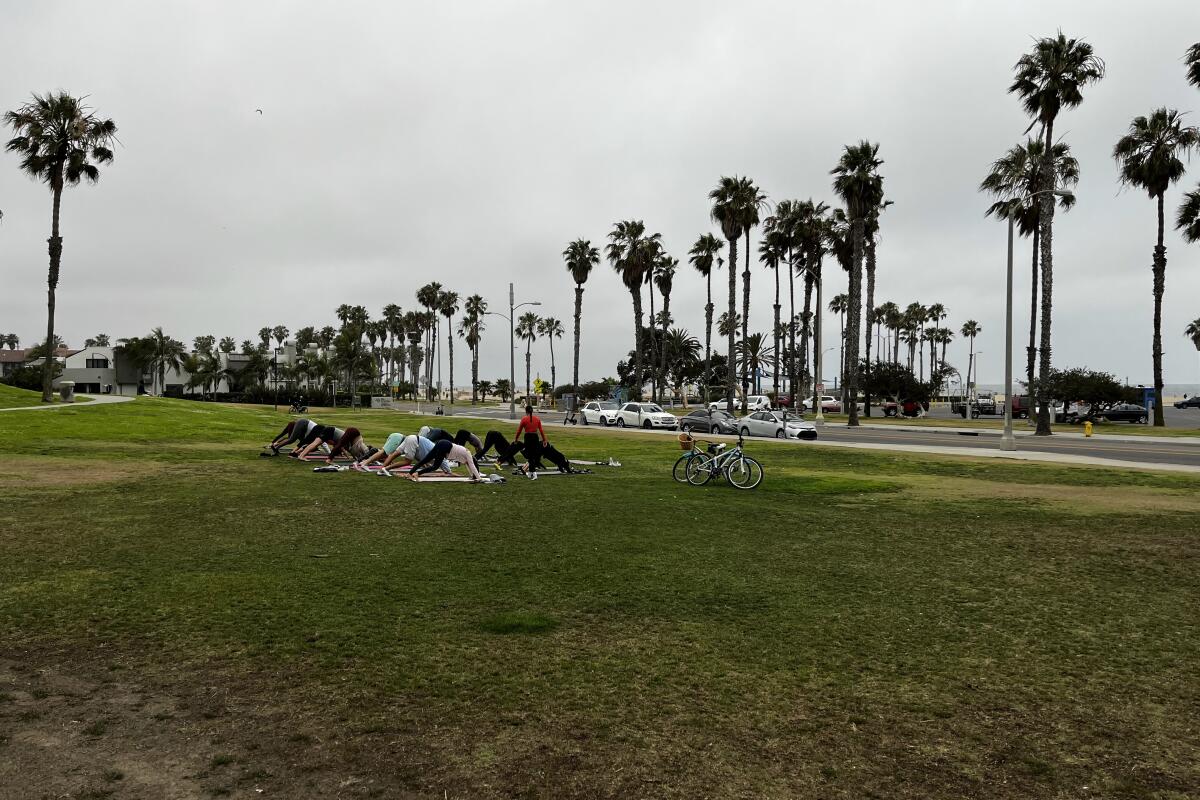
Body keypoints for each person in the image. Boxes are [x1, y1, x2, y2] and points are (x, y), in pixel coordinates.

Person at [405, 439, 482, 482]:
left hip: (442, 443)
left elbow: (469, 465)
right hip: (445, 446)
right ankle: (417, 474)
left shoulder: (464, 456)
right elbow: (472, 465)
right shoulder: (468, 454)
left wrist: (472, 476)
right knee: (435, 466)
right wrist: (479, 478)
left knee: (425, 460)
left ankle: (410, 474)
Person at [419, 425, 484, 457]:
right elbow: (481, 451)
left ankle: (419, 451)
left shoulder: (476, 442)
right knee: (425, 441)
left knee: (426, 442)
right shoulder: (477, 444)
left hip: (437, 432)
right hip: (438, 432)